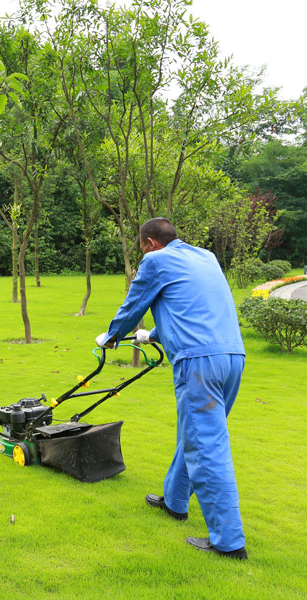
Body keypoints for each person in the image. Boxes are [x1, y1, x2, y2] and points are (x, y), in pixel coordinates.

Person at [95, 217, 248, 560]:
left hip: (199, 363)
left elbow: (133, 305)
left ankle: (229, 542)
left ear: (149, 243)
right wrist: (152, 335)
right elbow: (194, 308)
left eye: (140, 248)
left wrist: (111, 337)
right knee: (197, 434)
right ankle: (176, 502)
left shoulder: (155, 260)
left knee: (207, 446)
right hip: (232, 356)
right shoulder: (206, 257)